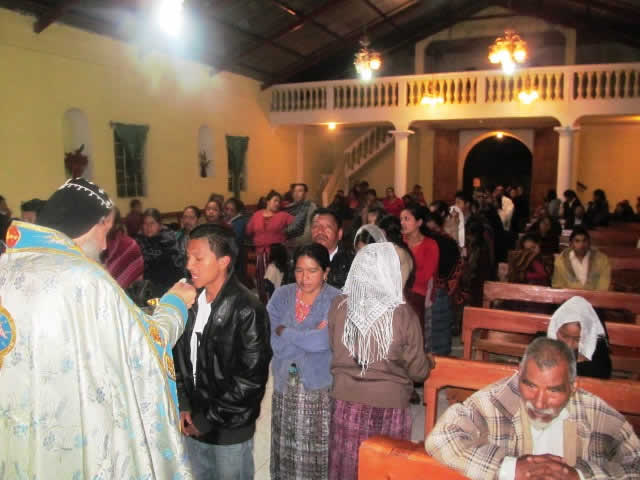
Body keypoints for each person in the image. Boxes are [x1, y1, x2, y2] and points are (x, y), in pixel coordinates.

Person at [0, 178, 196, 477]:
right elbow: (144, 346)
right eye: (105, 230)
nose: (105, 245)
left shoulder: (6, 266)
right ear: (89, 223)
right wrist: (175, 304)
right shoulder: (84, 279)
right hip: (69, 432)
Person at [425, 337, 640, 479]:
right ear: (519, 375)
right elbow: (441, 438)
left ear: (573, 387)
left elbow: (635, 464)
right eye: (530, 386)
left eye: (553, 391)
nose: (539, 403)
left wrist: (581, 476)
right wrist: (510, 468)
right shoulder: (500, 399)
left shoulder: (594, 411)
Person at [173, 224, 271, 479]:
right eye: (188, 257)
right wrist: (183, 403)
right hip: (193, 419)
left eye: (198, 258)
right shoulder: (189, 301)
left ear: (223, 261)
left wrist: (207, 420)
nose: (189, 265)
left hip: (230, 428)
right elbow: (179, 359)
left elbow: (250, 381)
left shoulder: (247, 309)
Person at [328, 242, 432, 480]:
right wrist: (428, 363)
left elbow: (335, 348)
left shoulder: (339, 305)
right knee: (383, 470)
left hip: (344, 404)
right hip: (388, 409)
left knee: (346, 467)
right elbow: (418, 372)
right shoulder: (404, 314)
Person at [267, 243, 340, 479]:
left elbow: (322, 341)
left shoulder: (336, 299)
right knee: (284, 444)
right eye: (299, 270)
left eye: (312, 270)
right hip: (284, 383)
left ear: (326, 272)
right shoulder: (282, 295)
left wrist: (285, 331)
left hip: (318, 387)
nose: (304, 277)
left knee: (314, 448)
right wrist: (307, 337)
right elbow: (270, 335)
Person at [424, 212, 463, 354]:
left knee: (432, 334)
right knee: (441, 336)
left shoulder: (429, 242)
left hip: (433, 291)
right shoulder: (448, 241)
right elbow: (458, 266)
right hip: (443, 290)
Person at [246, 190, 294, 302]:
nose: (277, 203)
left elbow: (296, 228)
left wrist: (288, 240)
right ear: (267, 201)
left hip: (276, 254)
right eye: (275, 200)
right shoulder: (257, 215)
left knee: (274, 282)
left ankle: (276, 304)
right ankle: (264, 304)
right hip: (260, 253)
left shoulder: (284, 216)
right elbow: (248, 231)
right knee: (261, 280)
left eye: (279, 202)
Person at [547, 296, 612, 379]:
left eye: (578, 339)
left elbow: (599, 379)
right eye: (564, 336)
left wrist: (582, 358)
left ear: (588, 336)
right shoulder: (545, 345)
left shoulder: (599, 358)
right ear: (555, 329)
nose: (569, 345)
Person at [400, 205, 439, 341]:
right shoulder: (399, 242)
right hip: (399, 290)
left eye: (407, 219)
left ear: (419, 222)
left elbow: (424, 277)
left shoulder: (430, 245)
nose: (402, 223)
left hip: (419, 292)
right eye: (401, 219)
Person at [137, 208, 185, 299]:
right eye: (145, 223)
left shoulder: (169, 240)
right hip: (148, 288)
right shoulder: (139, 241)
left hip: (170, 286)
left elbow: (177, 266)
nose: (148, 227)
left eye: (152, 223)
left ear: (159, 225)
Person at [310, 208, 354, 289]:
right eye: (315, 226)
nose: (320, 231)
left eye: (327, 227)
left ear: (339, 234)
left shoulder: (352, 264)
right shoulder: (300, 260)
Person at [103, 207, 144, 289]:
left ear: (116, 223)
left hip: (128, 292)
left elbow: (138, 275)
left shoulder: (130, 245)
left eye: (108, 221)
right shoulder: (97, 242)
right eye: (103, 222)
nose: (105, 225)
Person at [285, 183, 317, 248]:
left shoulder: (311, 206)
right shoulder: (288, 207)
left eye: (300, 191)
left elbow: (309, 230)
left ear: (305, 193)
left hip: (302, 244)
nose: (296, 193)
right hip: (287, 242)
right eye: (294, 191)